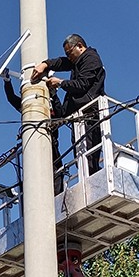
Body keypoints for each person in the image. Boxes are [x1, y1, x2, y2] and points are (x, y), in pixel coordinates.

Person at [31, 34, 106, 174]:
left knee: (88, 156)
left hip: (90, 115)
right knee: (81, 156)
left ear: (80, 46)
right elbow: (61, 62)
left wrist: (60, 82)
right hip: (80, 116)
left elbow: (82, 84)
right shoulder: (78, 61)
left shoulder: (91, 59)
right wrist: (45, 64)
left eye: (69, 53)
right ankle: (91, 177)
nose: (69, 57)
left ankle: (94, 178)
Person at [2, 68, 65, 195]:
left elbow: (60, 114)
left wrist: (53, 94)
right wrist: (7, 81)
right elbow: (11, 98)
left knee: (56, 171)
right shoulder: (29, 107)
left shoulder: (50, 106)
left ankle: (56, 197)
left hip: (51, 143)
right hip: (35, 145)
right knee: (41, 173)